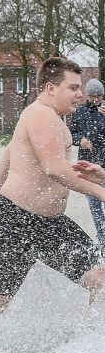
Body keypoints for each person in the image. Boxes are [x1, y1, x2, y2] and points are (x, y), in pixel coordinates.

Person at [0, 57, 105, 328]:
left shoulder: (46, 117)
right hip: (19, 221)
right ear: (51, 88)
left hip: (47, 224)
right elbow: (55, 169)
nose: (80, 95)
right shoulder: (41, 115)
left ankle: (92, 339)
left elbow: (8, 158)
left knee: (99, 278)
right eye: (73, 88)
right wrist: (101, 193)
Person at [68, 78, 105, 242]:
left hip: (104, 166)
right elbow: (70, 135)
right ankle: (103, 237)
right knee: (95, 206)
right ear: (87, 96)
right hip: (86, 166)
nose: (96, 99)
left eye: (99, 95)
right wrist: (80, 140)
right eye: (92, 96)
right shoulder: (78, 112)